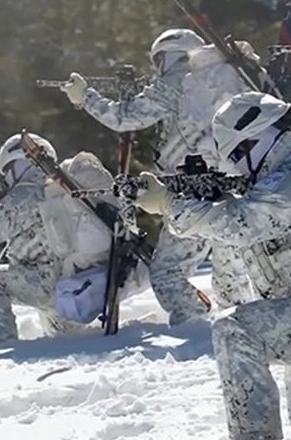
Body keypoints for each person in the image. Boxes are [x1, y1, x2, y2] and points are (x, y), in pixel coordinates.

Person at [133, 92, 291, 440]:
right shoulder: (279, 179)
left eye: (236, 156)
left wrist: (170, 204)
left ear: (254, 141)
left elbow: (241, 223)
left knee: (234, 330)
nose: (235, 167)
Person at [59, 29, 256, 325]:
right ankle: (239, 327)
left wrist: (85, 97)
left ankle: (194, 328)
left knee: (167, 274)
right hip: (235, 189)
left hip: (191, 195)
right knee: (232, 278)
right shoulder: (226, 80)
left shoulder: (177, 82)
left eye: (160, 60)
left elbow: (124, 117)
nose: (158, 68)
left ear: (171, 55)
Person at [0, 133, 142, 344]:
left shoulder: (23, 194)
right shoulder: (58, 186)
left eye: (8, 171)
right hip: (77, 278)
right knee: (64, 340)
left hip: (48, 283)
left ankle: (2, 345)